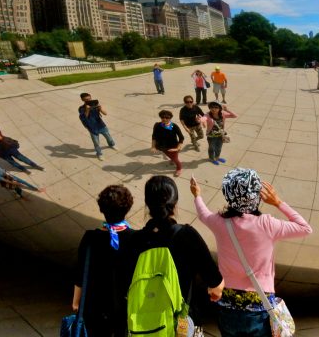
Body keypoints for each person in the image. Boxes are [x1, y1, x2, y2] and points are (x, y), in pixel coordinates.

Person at [191, 169, 311, 337]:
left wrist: (197, 195)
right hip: (260, 308)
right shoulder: (268, 224)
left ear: (228, 194)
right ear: (258, 195)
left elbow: (203, 214)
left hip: (227, 307)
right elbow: (305, 228)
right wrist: (278, 202)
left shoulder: (220, 223)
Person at [125, 176, 224, 332]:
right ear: (175, 204)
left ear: (147, 204)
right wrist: (214, 293)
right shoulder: (187, 235)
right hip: (181, 324)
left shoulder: (134, 240)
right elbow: (216, 284)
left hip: (143, 327)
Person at [72, 185, 135, 337]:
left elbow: (80, 273)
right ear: (127, 208)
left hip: (94, 308)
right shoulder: (135, 238)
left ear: (102, 209)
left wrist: (76, 301)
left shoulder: (90, 237)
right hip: (124, 308)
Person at [79, 93, 116, 161]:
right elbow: (84, 118)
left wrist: (100, 108)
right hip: (92, 127)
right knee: (96, 142)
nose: (88, 100)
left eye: (89, 99)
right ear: (82, 100)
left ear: (91, 97)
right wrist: (87, 110)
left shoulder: (95, 105)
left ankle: (112, 144)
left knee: (108, 136)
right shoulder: (81, 108)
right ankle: (99, 154)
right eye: (86, 100)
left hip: (101, 125)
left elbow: (105, 113)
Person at [152, 110, 186, 177]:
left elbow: (181, 138)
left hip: (173, 147)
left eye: (167, 118)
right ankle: (172, 159)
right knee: (170, 156)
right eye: (162, 117)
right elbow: (154, 136)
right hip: (162, 146)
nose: (164, 119)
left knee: (176, 159)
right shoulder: (157, 125)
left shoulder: (174, 126)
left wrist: (177, 148)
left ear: (170, 118)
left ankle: (179, 168)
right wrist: (153, 146)